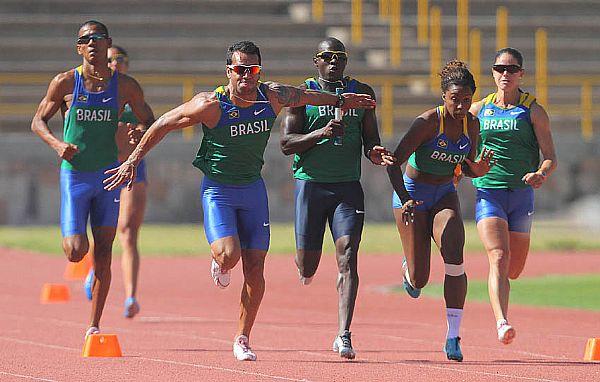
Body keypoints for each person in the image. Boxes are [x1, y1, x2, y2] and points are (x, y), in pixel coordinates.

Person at [103, 40, 376, 361]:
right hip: (219, 189)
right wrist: (133, 160)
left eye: (253, 69)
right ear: (228, 72)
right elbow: (163, 123)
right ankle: (219, 261)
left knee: (257, 267)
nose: (247, 76)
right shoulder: (211, 104)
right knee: (230, 255)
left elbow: (306, 96)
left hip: (252, 189)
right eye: (240, 69)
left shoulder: (271, 96)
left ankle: (243, 338)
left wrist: (341, 99)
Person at [31, 21, 154, 338]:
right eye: (86, 39)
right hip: (75, 176)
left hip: (107, 176)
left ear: (108, 43)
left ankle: (94, 325)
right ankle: (78, 257)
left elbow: (150, 124)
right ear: (78, 47)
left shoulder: (126, 86)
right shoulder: (65, 83)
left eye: (98, 38)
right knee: (75, 250)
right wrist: (58, 144)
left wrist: (133, 147)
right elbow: (38, 121)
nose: (93, 43)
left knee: (104, 252)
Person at [280, 37, 394, 360]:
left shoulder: (362, 94)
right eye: (327, 57)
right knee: (307, 265)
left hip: (347, 188)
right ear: (316, 61)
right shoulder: (302, 95)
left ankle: (344, 334)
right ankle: (307, 263)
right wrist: (321, 134)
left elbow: (371, 139)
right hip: (311, 186)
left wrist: (375, 153)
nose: (333, 63)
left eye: (339, 58)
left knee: (348, 255)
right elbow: (287, 143)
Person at [386, 60, 494, 362]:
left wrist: (478, 169)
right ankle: (410, 271)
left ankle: (453, 336)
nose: (460, 105)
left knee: (454, 252)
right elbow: (394, 161)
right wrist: (404, 196)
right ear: (443, 96)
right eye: (454, 99)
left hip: (445, 194)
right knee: (421, 279)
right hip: (413, 196)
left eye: (466, 99)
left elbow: (466, 166)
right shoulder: (427, 123)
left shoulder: (472, 125)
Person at [469, 47, 557, 345]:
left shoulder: (533, 110)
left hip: (521, 195)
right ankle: (501, 322)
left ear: (521, 74)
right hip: (489, 191)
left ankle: (504, 294)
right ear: (492, 73)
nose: (504, 74)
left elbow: (549, 157)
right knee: (498, 256)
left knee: (514, 268)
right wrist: (464, 169)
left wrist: (541, 175)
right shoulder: (479, 109)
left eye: (510, 69)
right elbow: (460, 146)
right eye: (499, 68)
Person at [84, 45, 149, 318]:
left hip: (132, 169)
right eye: (110, 59)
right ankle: (95, 268)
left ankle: (131, 296)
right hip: (105, 169)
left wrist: (140, 136)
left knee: (128, 230)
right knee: (104, 231)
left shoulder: (133, 95)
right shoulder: (97, 96)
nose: (115, 63)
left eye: (121, 59)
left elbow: (151, 127)